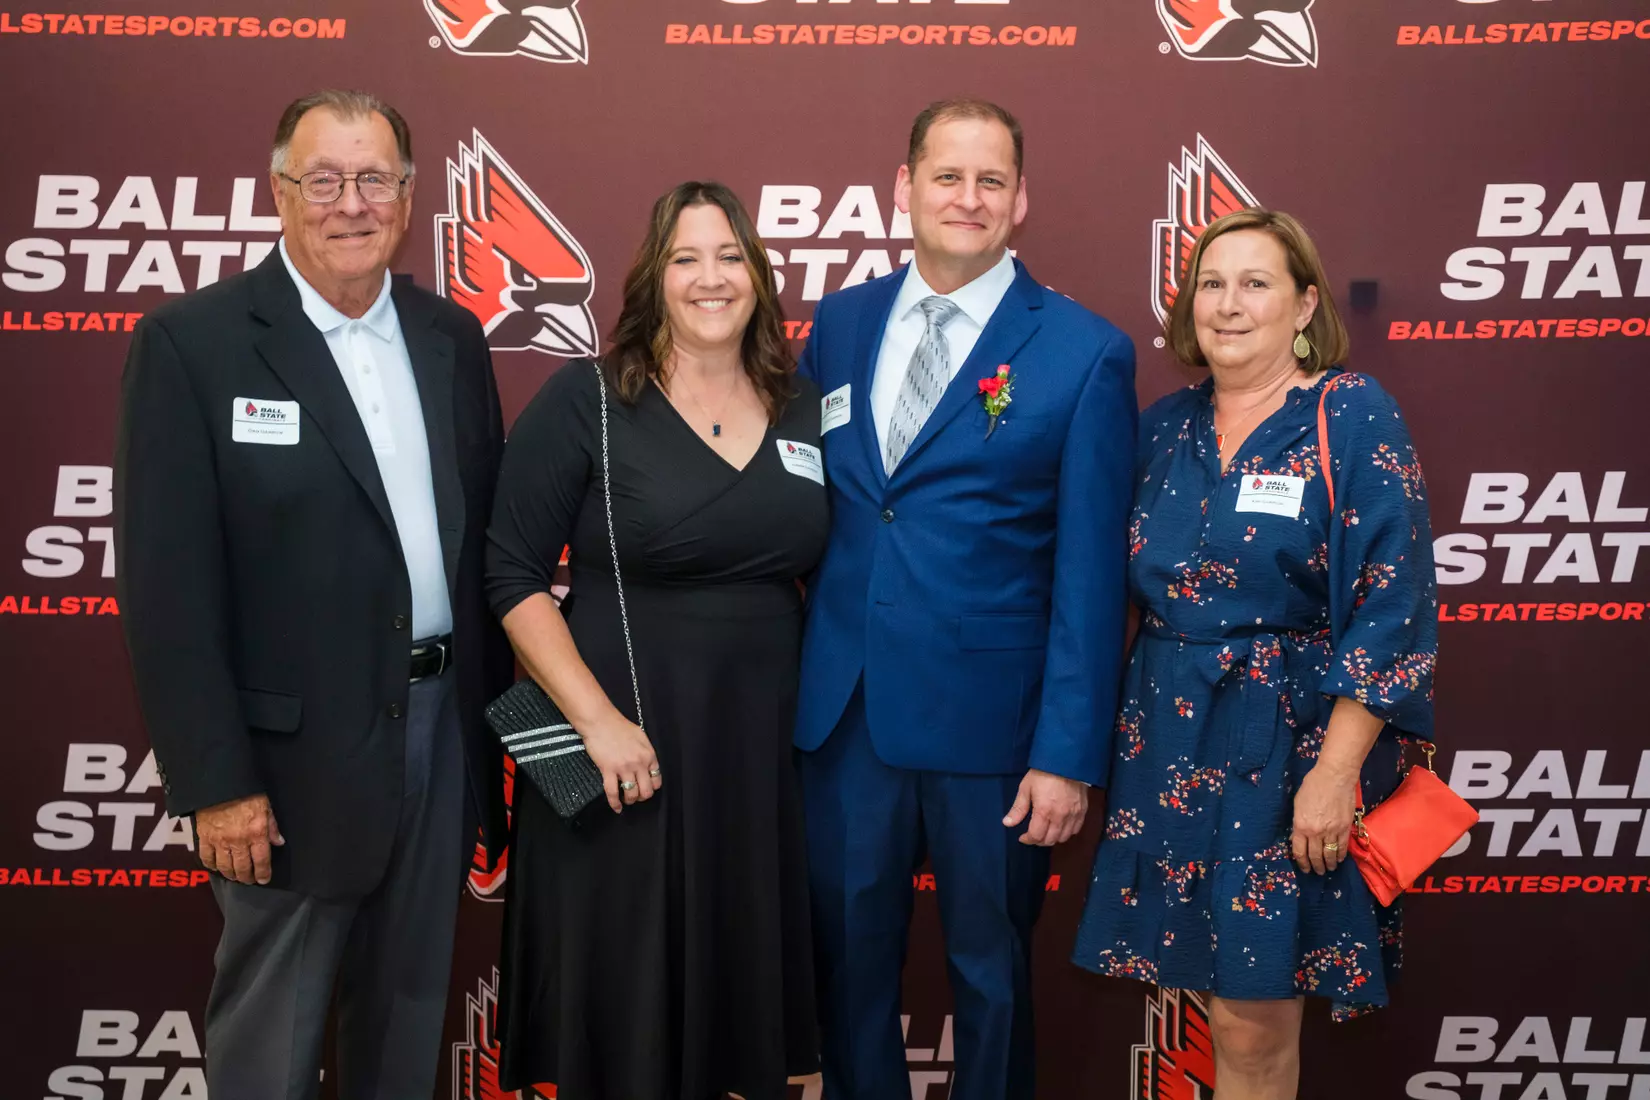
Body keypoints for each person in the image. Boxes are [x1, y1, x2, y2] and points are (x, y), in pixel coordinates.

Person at [114, 89, 511, 1099]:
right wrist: (214, 780)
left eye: (373, 179)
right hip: (281, 769)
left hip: (435, 730)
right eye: (322, 180)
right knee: (271, 1047)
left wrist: (486, 746)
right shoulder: (193, 345)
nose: (350, 204)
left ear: (410, 198)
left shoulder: (450, 338)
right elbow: (169, 589)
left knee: (407, 1021)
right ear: (279, 192)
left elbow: (475, 556)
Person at [793, 97, 1138, 1100]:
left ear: (1022, 199)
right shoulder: (842, 325)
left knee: (992, 977)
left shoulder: (1082, 351)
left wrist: (1066, 753)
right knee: (849, 969)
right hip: (846, 714)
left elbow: (1087, 572)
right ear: (902, 188)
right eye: (947, 175)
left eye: (991, 180)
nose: (968, 197)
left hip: (995, 736)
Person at [1072, 208, 1438, 1099]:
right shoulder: (1162, 428)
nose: (1228, 305)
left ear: (1306, 303)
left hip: (1289, 752)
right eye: (1211, 284)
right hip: (1166, 743)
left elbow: (1394, 604)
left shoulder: (1347, 414)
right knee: (1198, 1001)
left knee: (1255, 1027)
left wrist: (1335, 774)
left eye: (1256, 283)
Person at [485, 181, 824, 1100]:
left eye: (729, 257)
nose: (711, 278)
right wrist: (594, 723)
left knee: (734, 1003)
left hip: (755, 754)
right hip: (621, 743)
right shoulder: (587, 397)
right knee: (622, 1014)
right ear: (652, 278)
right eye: (686, 259)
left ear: (758, 274)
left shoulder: (803, 405)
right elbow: (512, 576)